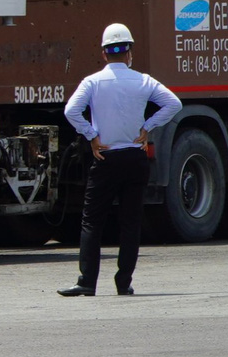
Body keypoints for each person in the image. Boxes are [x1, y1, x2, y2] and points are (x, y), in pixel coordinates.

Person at [60, 23, 180, 297]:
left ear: (104, 53)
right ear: (129, 52)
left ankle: (87, 282)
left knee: (92, 221)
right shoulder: (143, 80)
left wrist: (91, 134)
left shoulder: (92, 82)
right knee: (130, 222)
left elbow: (71, 111)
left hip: (106, 157)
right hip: (134, 158)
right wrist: (148, 126)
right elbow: (174, 104)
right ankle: (123, 282)